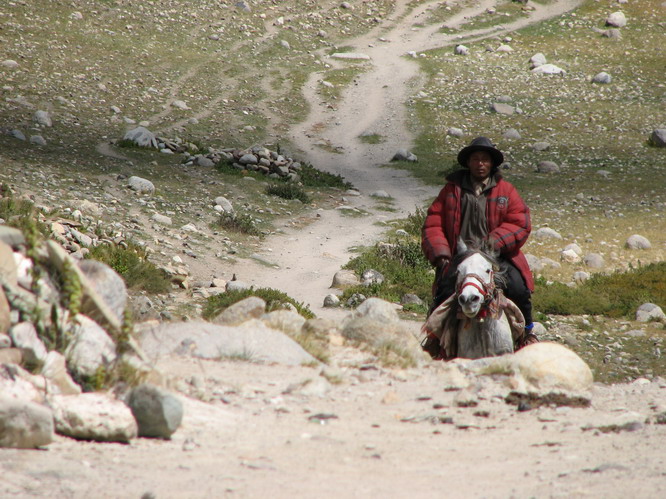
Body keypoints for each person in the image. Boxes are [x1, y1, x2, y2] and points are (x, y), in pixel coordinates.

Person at [421, 136, 538, 347]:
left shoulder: (506, 190)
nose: (480, 164)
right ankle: (434, 338)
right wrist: (441, 254)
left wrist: (494, 242)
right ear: (468, 162)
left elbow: (520, 222)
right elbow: (433, 222)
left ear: (492, 163)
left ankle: (527, 332)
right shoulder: (451, 190)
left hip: (496, 255)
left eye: (485, 159)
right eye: (475, 159)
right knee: (444, 292)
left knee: (519, 289)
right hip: (461, 256)